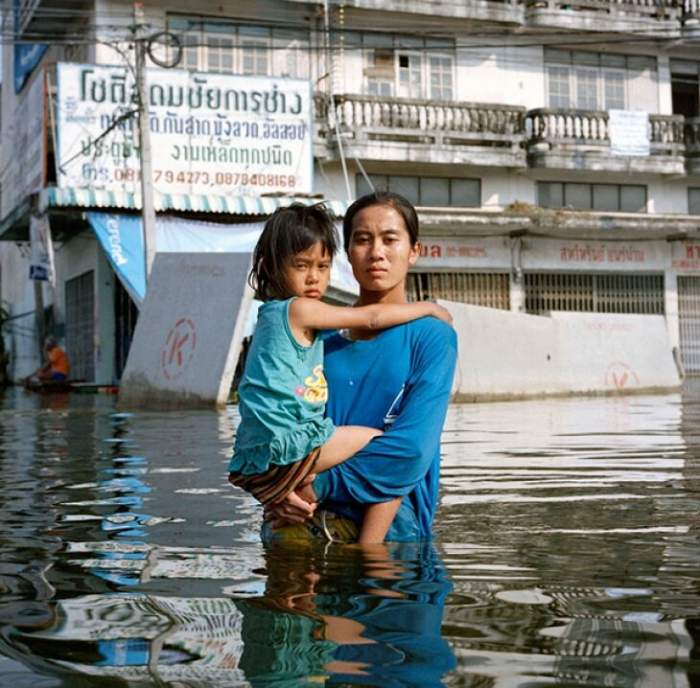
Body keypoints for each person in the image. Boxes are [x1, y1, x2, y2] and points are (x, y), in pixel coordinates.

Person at [228, 202, 452, 544]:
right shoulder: (317, 338)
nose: (376, 252)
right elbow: (275, 421)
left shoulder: (432, 337)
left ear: (414, 251)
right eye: (363, 239)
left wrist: (314, 485)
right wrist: (277, 495)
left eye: (390, 239)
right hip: (295, 523)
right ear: (347, 252)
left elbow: (412, 451)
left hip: (392, 537)